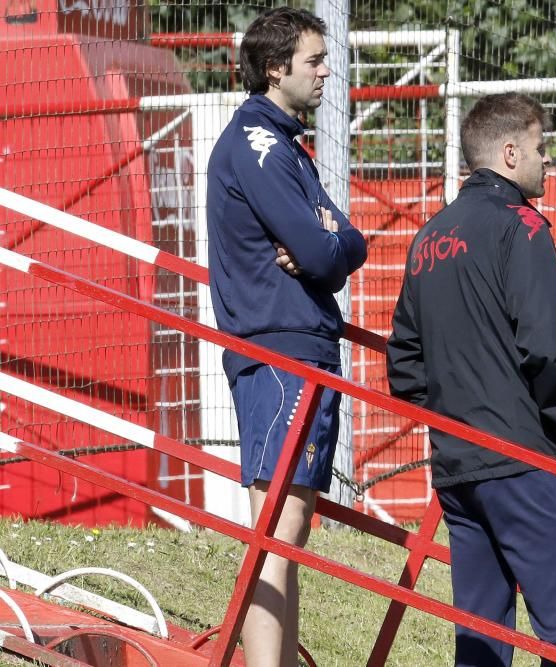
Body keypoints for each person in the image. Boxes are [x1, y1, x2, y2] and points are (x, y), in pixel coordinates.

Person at [386, 92, 556, 666]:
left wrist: (463, 405)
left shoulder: (428, 235)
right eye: (541, 147)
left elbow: (404, 366)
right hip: (523, 459)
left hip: (457, 464)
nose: (548, 160)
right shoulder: (522, 226)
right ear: (509, 152)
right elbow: (551, 349)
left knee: (480, 639)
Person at [205, 8, 367, 667]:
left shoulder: (283, 145)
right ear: (276, 69)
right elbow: (324, 253)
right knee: (278, 522)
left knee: (291, 523)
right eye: (313, 60)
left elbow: (346, 241)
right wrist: (327, 243)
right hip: (277, 349)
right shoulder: (257, 144)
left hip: (300, 346)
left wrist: (332, 241)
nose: (327, 70)